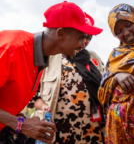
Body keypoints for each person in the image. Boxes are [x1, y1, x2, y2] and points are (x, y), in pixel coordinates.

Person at [0, 1, 102, 143]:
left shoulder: (41, 59)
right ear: (61, 33)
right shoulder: (12, 48)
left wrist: (21, 120)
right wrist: (19, 124)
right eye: (80, 37)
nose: (82, 44)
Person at [30, 13, 105, 144]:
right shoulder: (49, 56)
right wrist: (43, 106)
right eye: (82, 37)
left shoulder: (94, 58)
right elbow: (30, 95)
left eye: (89, 38)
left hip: (92, 134)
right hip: (58, 134)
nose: (85, 42)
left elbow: (107, 84)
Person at [98, 4, 134, 143]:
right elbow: (102, 94)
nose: (125, 33)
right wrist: (116, 77)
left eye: (128, 25)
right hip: (117, 127)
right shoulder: (116, 55)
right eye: (119, 31)